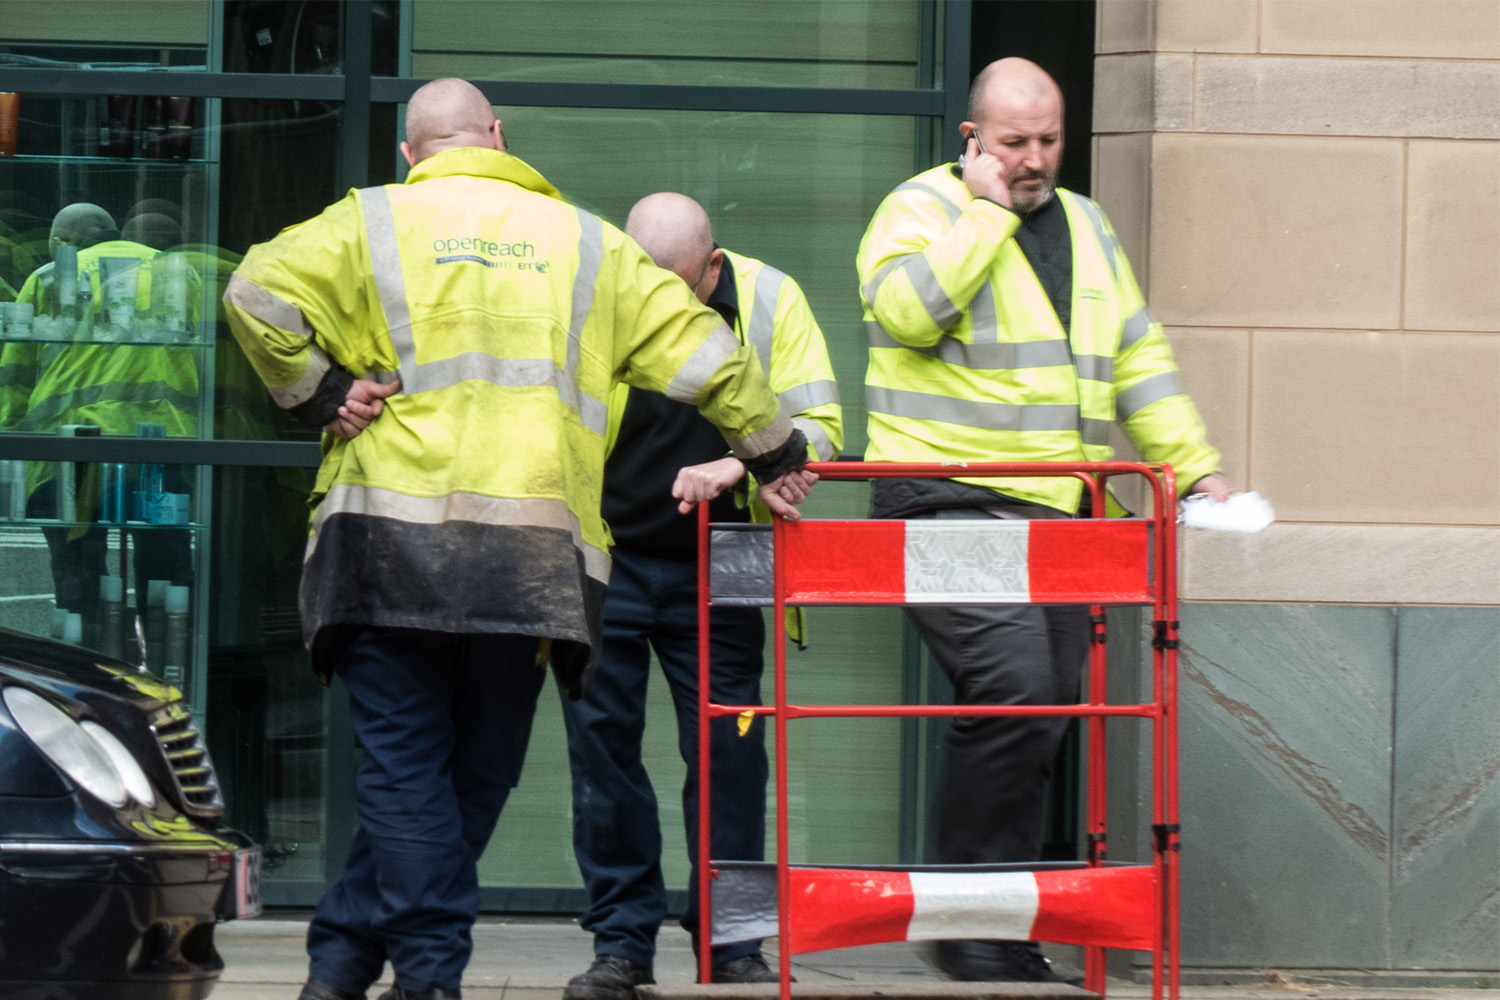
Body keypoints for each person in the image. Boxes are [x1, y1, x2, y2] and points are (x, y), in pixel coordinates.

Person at [221, 79, 817, 1000]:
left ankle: (355, 963)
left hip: (386, 547)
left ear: (413, 153)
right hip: (528, 562)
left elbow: (254, 291)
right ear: (500, 137)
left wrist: (319, 391)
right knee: (473, 774)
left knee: (407, 772)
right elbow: (704, 353)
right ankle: (401, 973)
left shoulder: (365, 223)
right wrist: (774, 447)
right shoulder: (587, 243)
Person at [856, 57, 1233, 984]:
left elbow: (1137, 352)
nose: (1034, 160)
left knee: (1051, 699)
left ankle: (997, 920)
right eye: (1014, 142)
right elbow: (904, 313)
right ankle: (966, 920)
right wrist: (986, 214)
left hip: (1055, 506)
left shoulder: (1089, 225)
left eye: (1049, 140)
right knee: (1017, 683)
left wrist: (1190, 470)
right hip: (941, 497)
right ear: (971, 138)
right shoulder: (920, 211)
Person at [560, 193, 843, 1000]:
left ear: (712, 267)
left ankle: (732, 941)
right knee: (603, 761)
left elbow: (821, 423)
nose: (660, 306)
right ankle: (621, 947)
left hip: (725, 565)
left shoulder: (769, 297)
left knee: (733, 755)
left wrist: (743, 461)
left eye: (677, 288)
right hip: (604, 559)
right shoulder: (590, 288)